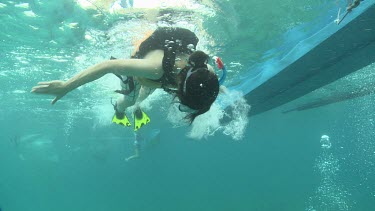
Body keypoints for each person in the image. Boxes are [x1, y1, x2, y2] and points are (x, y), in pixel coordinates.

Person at [31, 27, 224, 130]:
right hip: (146, 68)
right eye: (182, 102)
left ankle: (138, 106)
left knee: (145, 95)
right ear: (181, 86)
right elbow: (108, 66)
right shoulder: (154, 69)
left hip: (166, 74)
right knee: (131, 100)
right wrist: (67, 85)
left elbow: (208, 84)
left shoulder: (206, 72)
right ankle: (120, 111)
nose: (178, 101)